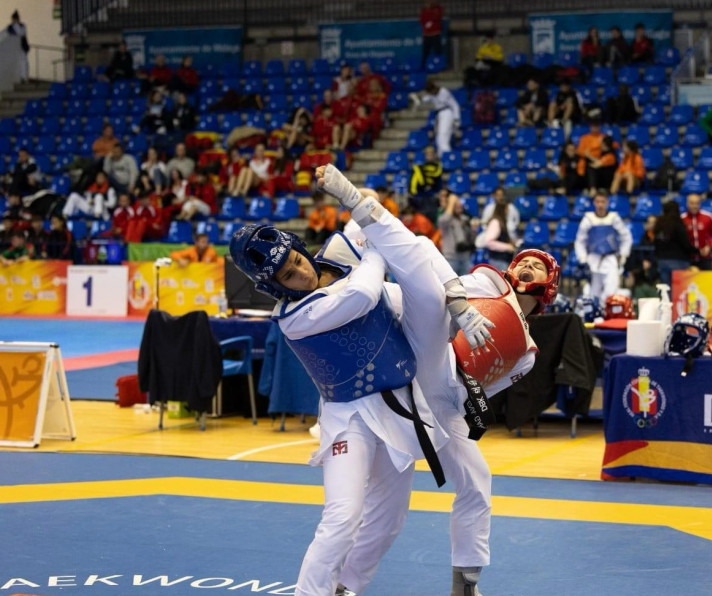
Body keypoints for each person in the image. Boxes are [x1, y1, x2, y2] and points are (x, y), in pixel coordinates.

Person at [315, 163, 559, 596]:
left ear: (548, 288)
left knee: (465, 486)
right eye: (524, 262)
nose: (526, 267)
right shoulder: (489, 279)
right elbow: (430, 259)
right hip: (428, 335)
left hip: (439, 396)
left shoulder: (527, 356)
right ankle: (353, 219)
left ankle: (453, 583)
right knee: (421, 270)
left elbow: (484, 392)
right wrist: (462, 306)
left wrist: (468, 407)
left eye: (536, 269)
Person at [229, 223, 450, 596]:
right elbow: (363, 295)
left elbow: (367, 217)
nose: (301, 272)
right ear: (274, 286)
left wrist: (365, 212)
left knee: (389, 520)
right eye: (288, 275)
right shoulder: (295, 317)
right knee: (342, 515)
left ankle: (346, 588)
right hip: (349, 419)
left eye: (298, 260)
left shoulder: (340, 254)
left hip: (398, 409)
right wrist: (377, 249)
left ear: (303, 248)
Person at [574, 190, 632, 300]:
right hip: (593, 258)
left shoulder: (614, 218)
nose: (600, 204)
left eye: (603, 201)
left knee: (611, 290)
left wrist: (624, 254)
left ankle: (609, 313)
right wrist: (583, 258)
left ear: (607, 203)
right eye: (598, 201)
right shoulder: (588, 219)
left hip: (610, 258)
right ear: (594, 203)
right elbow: (580, 241)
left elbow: (626, 237)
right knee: (593, 292)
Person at [412, 80, 460, 157]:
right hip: (439, 115)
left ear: (434, 88)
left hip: (447, 112)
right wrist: (417, 98)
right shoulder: (431, 95)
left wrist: (456, 118)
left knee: (443, 137)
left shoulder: (444, 92)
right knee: (438, 139)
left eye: (432, 91)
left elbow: (454, 105)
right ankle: (442, 158)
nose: (431, 93)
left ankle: (448, 157)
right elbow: (423, 99)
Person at [653, 200, 694, 286]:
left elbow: (656, 243)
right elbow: (685, 243)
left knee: (665, 289)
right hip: (679, 261)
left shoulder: (659, 224)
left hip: (662, 261)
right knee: (679, 289)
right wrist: (696, 251)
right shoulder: (677, 224)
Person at [477, 189, 517, 271]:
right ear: (502, 209)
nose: (508, 210)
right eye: (506, 208)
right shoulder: (495, 222)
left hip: (503, 260)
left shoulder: (502, 221)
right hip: (498, 261)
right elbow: (488, 242)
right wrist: (507, 247)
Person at [438, 191, 476, 276]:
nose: (459, 206)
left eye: (460, 205)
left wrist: (473, 230)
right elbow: (446, 217)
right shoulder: (444, 219)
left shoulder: (465, 219)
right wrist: (451, 202)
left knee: (469, 285)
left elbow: (471, 239)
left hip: (465, 258)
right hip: (451, 259)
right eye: (456, 205)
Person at [682, 193, 712, 270]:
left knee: (706, 281)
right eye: (692, 203)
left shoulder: (708, 217)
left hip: (705, 257)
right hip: (688, 258)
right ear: (687, 203)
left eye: (697, 203)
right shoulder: (682, 219)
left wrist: (708, 246)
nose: (694, 206)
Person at [4, 11, 28, 82]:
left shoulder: (22, 26)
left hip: (22, 47)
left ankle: (23, 77)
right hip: (13, 48)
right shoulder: (9, 27)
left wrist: (16, 25)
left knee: (23, 62)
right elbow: (3, 33)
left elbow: (21, 33)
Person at [420, 1, 445, 67]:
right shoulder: (424, 10)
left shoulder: (437, 9)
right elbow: (422, 20)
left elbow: (437, 17)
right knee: (425, 52)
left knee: (438, 50)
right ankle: (423, 65)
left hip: (435, 34)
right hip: (427, 34)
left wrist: (431, 21)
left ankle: (440, 65)